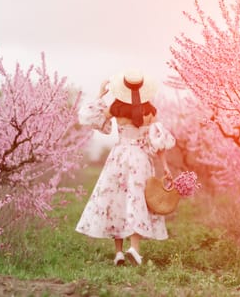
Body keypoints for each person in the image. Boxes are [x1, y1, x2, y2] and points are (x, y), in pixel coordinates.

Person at [75, 68, 175, 266]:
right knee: (137, 199)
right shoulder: (150, 111)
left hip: (119, 157)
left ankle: (119, 252)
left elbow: (90, 118)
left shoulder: (116, 108)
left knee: (116, 200)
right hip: (140, 159)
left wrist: (100, 93)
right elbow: (159, 142)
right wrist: (165, 166)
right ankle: (135, 248)